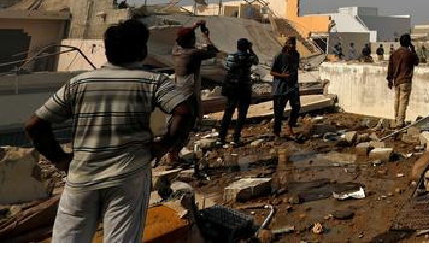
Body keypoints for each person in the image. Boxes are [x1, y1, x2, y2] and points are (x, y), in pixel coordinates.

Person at [25, 18, 194, 243]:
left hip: (81, 177)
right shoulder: (152, 81)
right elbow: (184, 112)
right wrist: (163, 146)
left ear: (107, 51)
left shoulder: (79, 83)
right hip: (129, 177)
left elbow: (35, 124)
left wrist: (60, 160)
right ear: (142, 50)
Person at [171, 19, 218, 123]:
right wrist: (206, 37)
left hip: (178, 84)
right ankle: (195, 125)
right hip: (190, 86)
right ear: (191, 40)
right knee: (193, 108)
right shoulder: (193, 53)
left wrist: (194, 27)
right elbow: (214, 52)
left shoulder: (176, 51)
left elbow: (179, 39)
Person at [217, 38, 258, 146]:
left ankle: (221, 137)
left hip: (233, 88)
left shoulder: (232, 57)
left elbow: (227, 67)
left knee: (228, 113)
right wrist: (251, 50)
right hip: (245, 88)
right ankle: (236, 138)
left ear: (237, 46)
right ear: (247, 46)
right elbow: (256, 61)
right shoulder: (250, 57)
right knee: (242, 113)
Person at [387, 34, 420, 128]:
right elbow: (416, 62)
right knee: (403, 101)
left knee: (397, 100)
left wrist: (389, 80)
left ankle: (396, 119)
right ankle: (400, 122)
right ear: (409, 43)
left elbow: (390, 67)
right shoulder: (409, 53)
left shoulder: (394, 53)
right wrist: (413, 50)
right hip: (405, 80)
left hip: (396, 80)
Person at [271, 36, 301, 138]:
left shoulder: (296, 55)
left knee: (296, 107)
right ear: (286, 44)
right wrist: (284, 75)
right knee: (278, 111)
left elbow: (296, 70)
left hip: (293, 86)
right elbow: (272, 72)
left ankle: (289, 127)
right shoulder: (279, 56)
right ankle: (277, 132)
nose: (292, 45)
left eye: (293, 43)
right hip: (280, 87)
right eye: (290, 43)